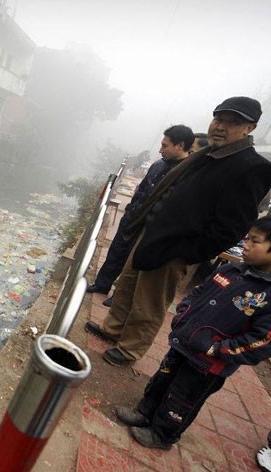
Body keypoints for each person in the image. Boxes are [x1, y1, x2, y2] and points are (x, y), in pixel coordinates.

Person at [85, 96, 271, 367]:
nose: (221, 126)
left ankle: (129, 350)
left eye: (233, 122)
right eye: (219, 118)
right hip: (151, 234)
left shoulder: (250, 166)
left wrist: (186, 254)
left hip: (175, 249)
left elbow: (232, 227)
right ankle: (112, 330)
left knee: (148, 302)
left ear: (250, 128)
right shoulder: (207, 154)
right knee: (128, 286)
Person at [113, 216, 271, 449]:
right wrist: (183, 312)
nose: (245, 244)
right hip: (184, 344)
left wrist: (219, 349)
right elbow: (198, 292)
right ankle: (144, 412)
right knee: (162, 379)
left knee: (182, 398)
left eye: (254, 241)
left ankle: (162, 434)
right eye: (247, 238)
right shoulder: (231, 269)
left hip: (209, 363)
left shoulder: (267, 295)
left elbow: (261, 341)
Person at [86, 126, 194, 300]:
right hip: (133, 218)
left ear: (180, 146)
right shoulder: (158, 165)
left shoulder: (186, 174)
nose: (160, 150)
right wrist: (129, 212)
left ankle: (119, 297)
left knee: (133, 262)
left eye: (165, 146)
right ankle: (101, 285)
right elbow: (141, 190)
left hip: (151, 227)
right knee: (116, 252)